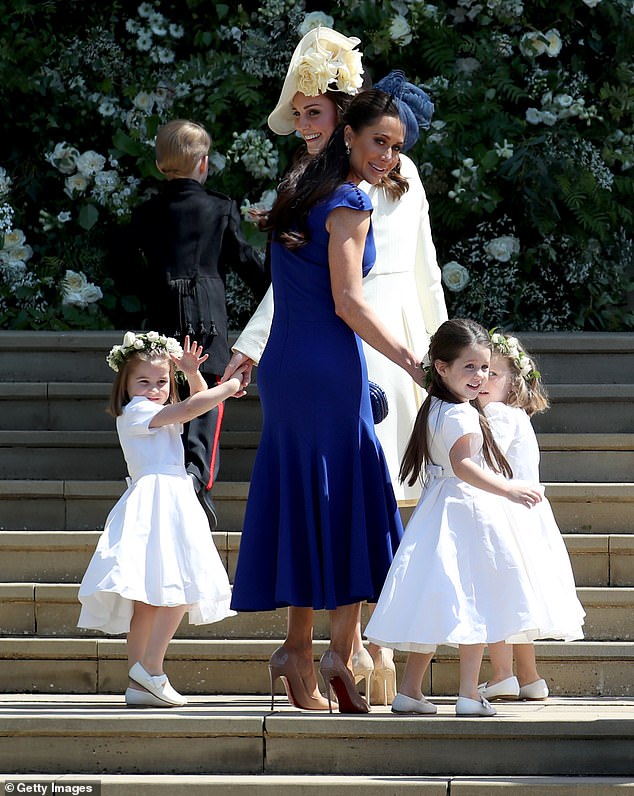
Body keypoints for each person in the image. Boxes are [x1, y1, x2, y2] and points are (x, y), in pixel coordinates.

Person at [223, 27, 447, 705]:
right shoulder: (345, 197)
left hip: (301, 358)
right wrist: (416, 363)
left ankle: (310, 651)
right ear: (352, 133)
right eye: (379, 141)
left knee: (313, 496)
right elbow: (348, 300)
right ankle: (330, 655)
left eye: (396, 145)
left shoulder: (301, 185)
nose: (388, 154)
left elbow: (323, 285)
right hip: (336, 355)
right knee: (351, 499)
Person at [364, 318, 560, 717]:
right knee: (474, 599)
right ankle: (470, 693)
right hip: (468, 509)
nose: (480, 376)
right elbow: (464, 464)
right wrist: (508, 487)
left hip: (437, 509)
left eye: (485, 367)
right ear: (441, 367)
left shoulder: (435, 405)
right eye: (469, 367)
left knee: (434, 598)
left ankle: (410, 691)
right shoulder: (463, 414)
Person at [77, 331, 245, 707]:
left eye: (162, 382)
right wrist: (230, 384)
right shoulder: (137, 412)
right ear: (126, 384)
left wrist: (191, 374)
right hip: (158, 499)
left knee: (151, 601)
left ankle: (140, 684)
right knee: (180, 587)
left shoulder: (157, 411)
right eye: (144, 381)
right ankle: (150, 667)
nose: (154, 389)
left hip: (169, 497)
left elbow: (196, 405)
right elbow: (190, 409)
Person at [129, 120, 269, 528]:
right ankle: (196, 477)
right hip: (208, 314)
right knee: (207, 397)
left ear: (159, 164)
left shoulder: (146, 212)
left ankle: (173, 476)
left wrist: (149, 285)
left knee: (165, 393)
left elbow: (119, 261)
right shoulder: (220, 207)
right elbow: (245, 261)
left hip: (161, 313)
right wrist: (279, 291)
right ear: (204, 164)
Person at [476, 331, 585, 701]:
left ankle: (503, 674)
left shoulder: (497, 414)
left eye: (495, 374)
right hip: (525, 517)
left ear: (513, 384)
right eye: (482, 370)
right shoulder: (515, 415)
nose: (484, 379)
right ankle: (530, 676)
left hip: (506, 516)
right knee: (518, 600)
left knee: (499, 596)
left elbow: (484, 462)